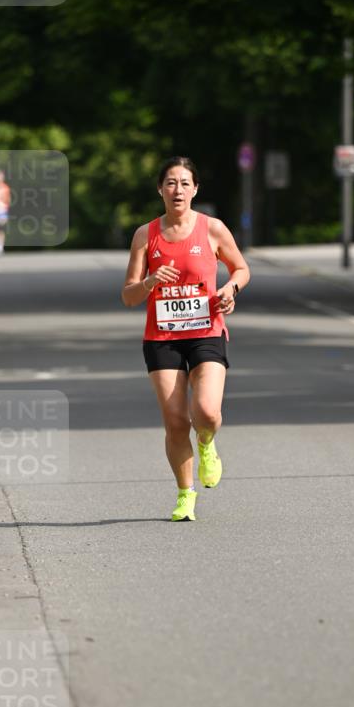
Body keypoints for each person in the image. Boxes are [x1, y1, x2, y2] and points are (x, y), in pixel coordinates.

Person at [122, 157, 250, 521]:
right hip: (162, 337)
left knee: (207, 412)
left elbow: (241, 267)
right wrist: (149, 282)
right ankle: (185, 494)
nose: (178, 190)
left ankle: (207, 442)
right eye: (171, 183)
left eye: (184, 183)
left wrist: (231, 288)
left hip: (206, 331)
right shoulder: (146, 235)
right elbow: (128, 296)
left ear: (195, 189)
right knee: (176, 421)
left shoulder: (212, 229)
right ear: (160, 189)